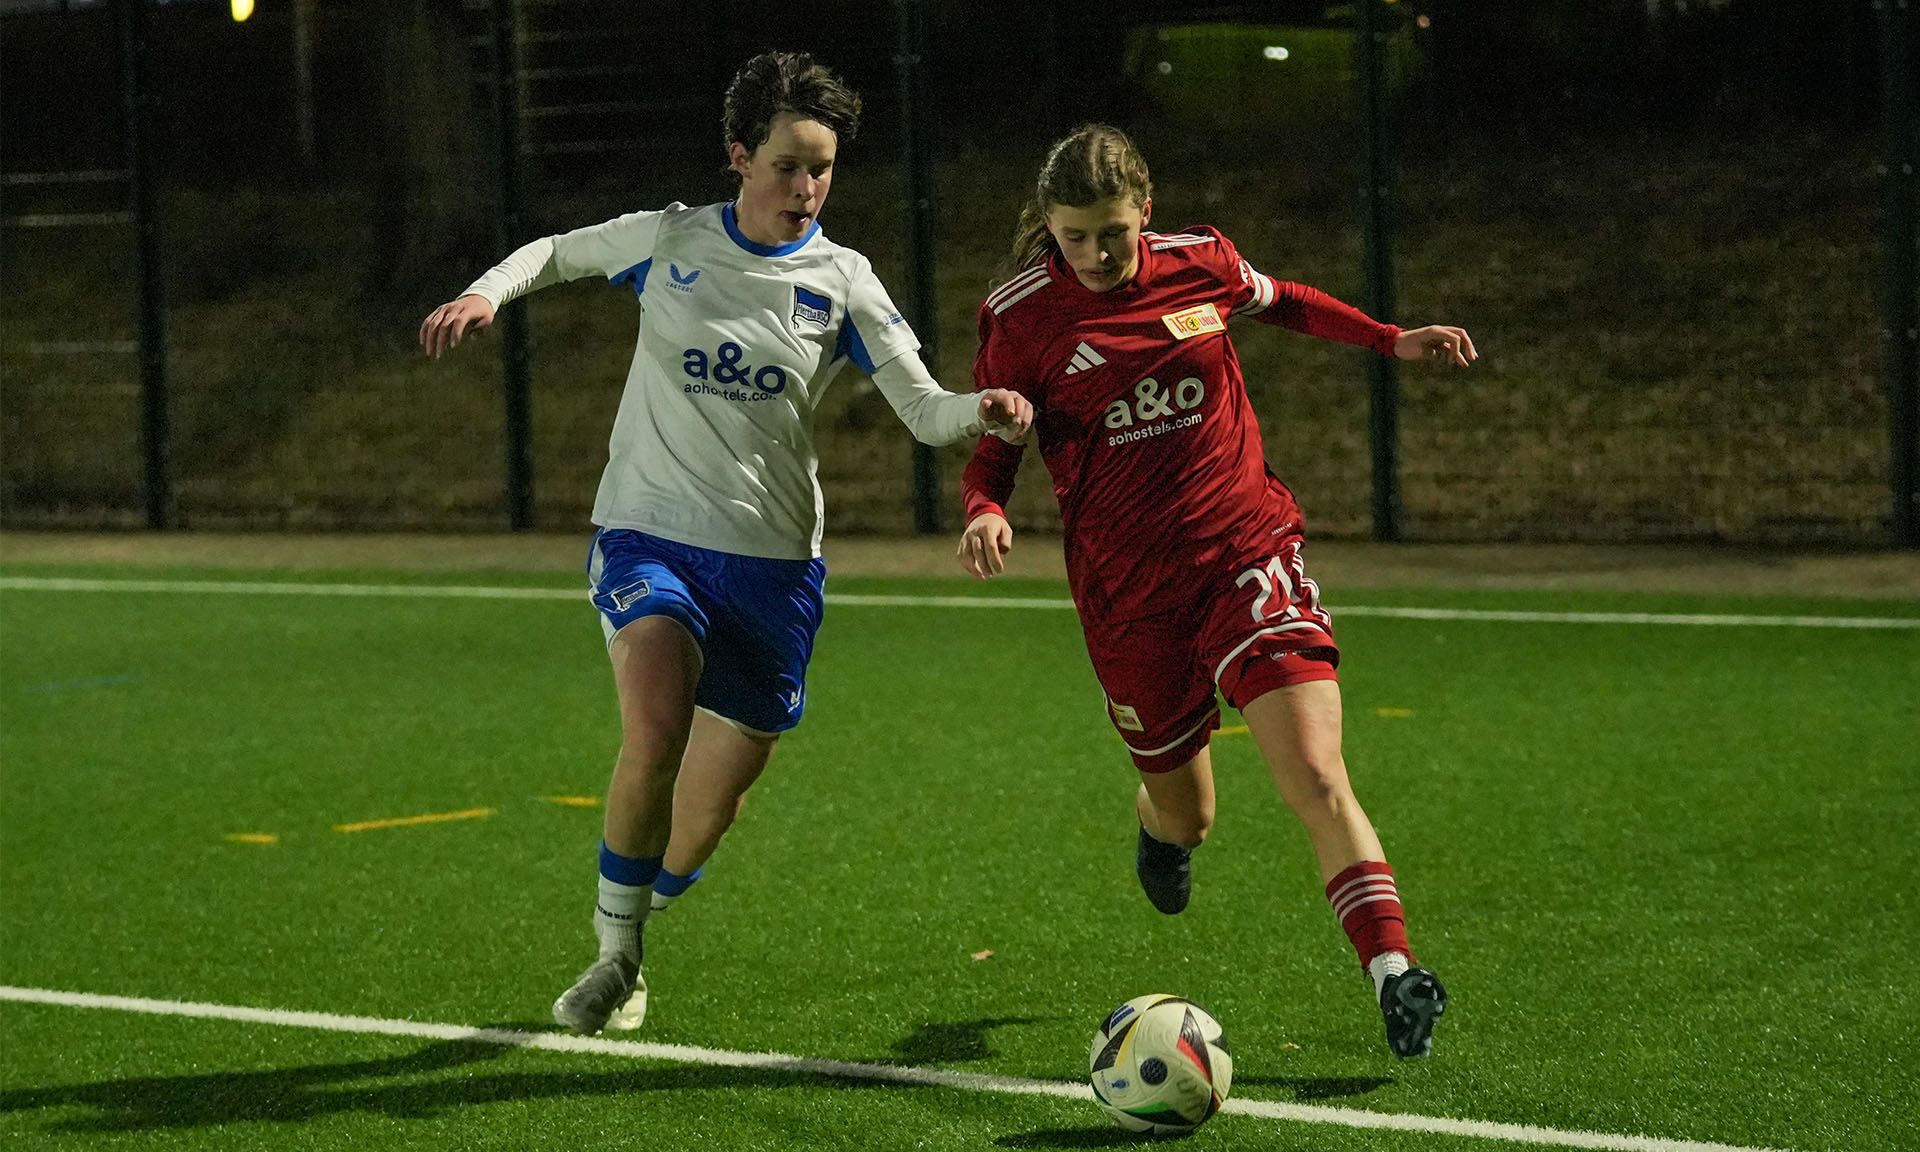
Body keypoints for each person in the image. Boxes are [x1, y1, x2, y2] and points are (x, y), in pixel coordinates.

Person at [419, 52, 1033, 1037]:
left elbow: (923, 412)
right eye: (789, 164)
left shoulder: (843, 280)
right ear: (739, 157)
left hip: (772, 567)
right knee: (655, 726)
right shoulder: (668, 241)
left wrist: (983, 410)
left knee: (709, 809)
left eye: (822, 168)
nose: (807, 187)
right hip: (649, 533)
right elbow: (551, 251)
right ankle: (616, 956)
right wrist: (487, 295)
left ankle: (651, 901)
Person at [956, 124, 1472, 1059]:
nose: (1098, 254)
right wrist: (986, 508)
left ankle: (1396, 973)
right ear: (1051, 228)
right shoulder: (1021, 314)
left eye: (1113, 232)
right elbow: (996, 448)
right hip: (1128, 595)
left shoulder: (1202, 261)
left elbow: (1285, 303)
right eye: (1075, 237)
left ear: (1143, 212)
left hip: (1247, 552)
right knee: (1190, 812)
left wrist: (1392, 340)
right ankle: (1160, 834)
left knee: (1316, 772)